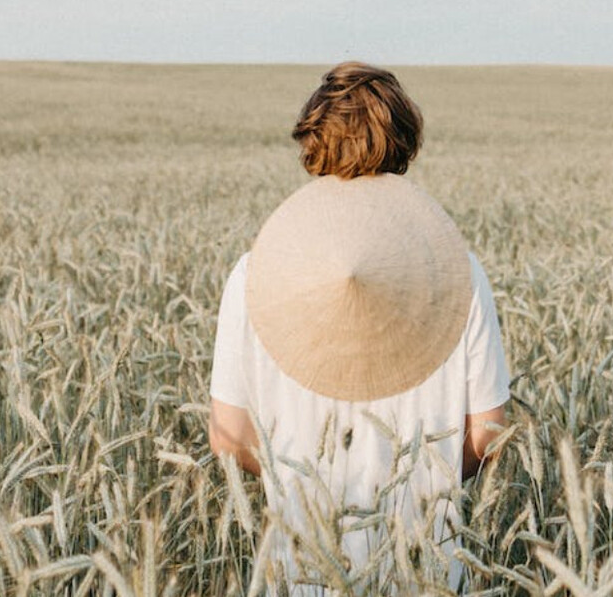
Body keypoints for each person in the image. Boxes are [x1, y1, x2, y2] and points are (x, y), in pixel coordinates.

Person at [208, 62, 510, 594]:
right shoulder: (460, 273)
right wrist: (420, 480)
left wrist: (300, 485)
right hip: (427, 572)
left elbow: (228, 438)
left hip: (301, 569)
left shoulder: (252, 275)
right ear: (404, 143)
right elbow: (488, 433)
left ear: (312, 142)